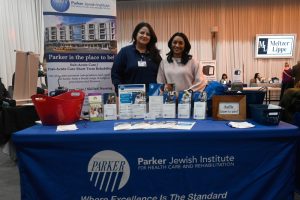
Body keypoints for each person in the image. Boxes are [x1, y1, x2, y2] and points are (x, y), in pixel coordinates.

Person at [111, 22, 162, 95]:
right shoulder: (125, 52)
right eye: (142, 33)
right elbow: (115, 73)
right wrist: (120, 91)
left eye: (148, 34)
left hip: (152, 99)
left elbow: (161, 75)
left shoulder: (155, 54)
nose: (145, 36)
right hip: (131, 99)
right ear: (135, 34)